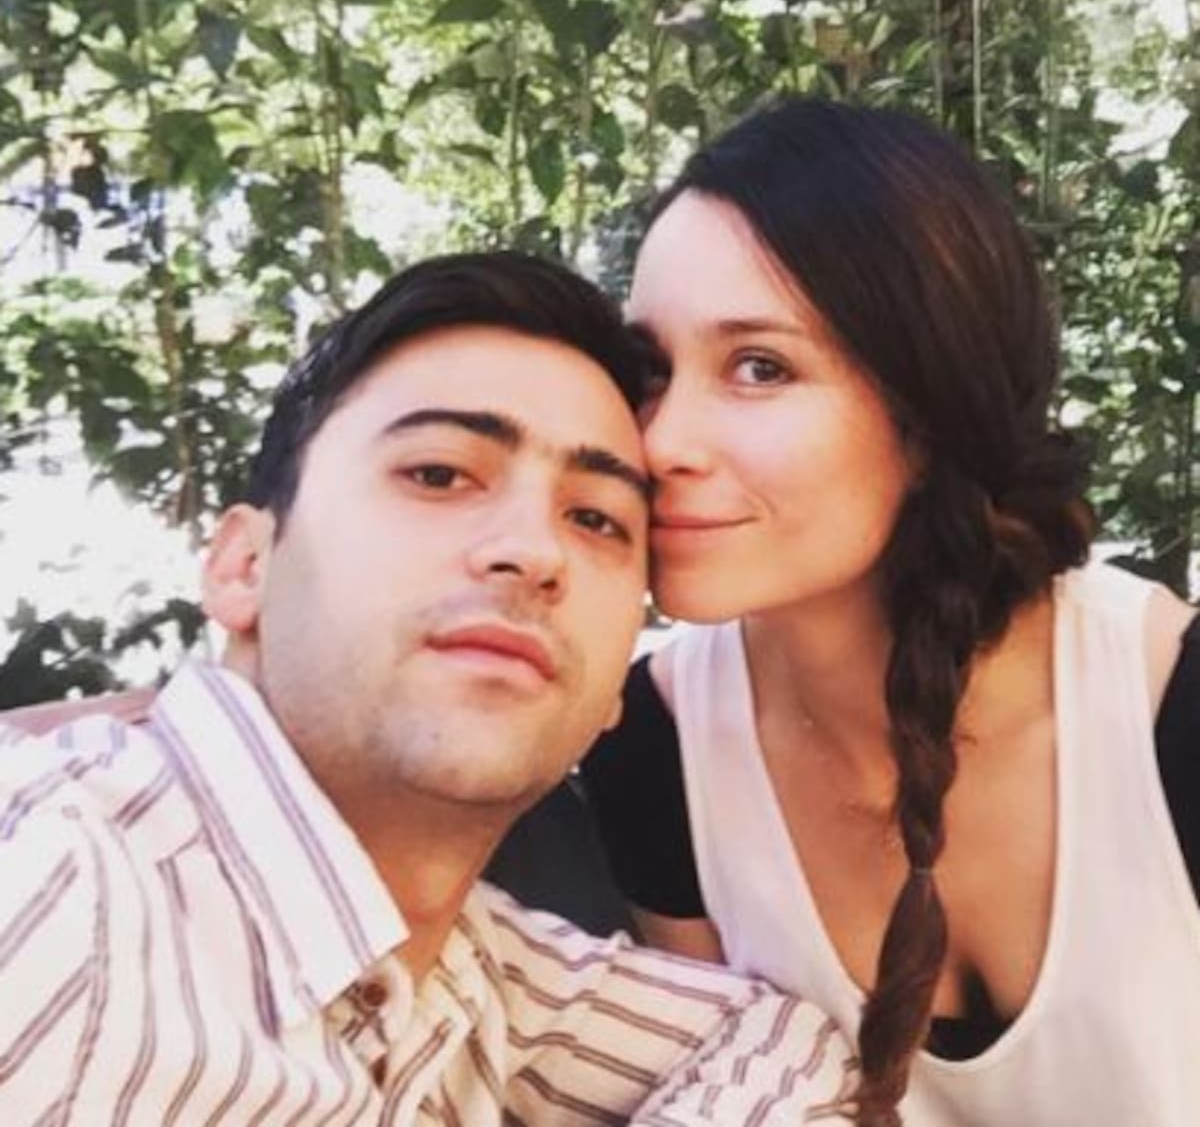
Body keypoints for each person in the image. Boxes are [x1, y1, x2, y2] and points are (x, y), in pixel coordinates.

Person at [0, 252, 854, 1125]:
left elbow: (779, 1043)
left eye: (596, 518)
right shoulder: (55, 883)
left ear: (612, 695)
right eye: (439, 474)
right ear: (245, 567)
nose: (534, 551)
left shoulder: (473, 977)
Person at [581, 97, 1200, 1126]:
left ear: (929, 409)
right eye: (650, 373)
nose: (660, 442)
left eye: (759, 367)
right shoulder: (656, 746)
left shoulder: (1168, 709)